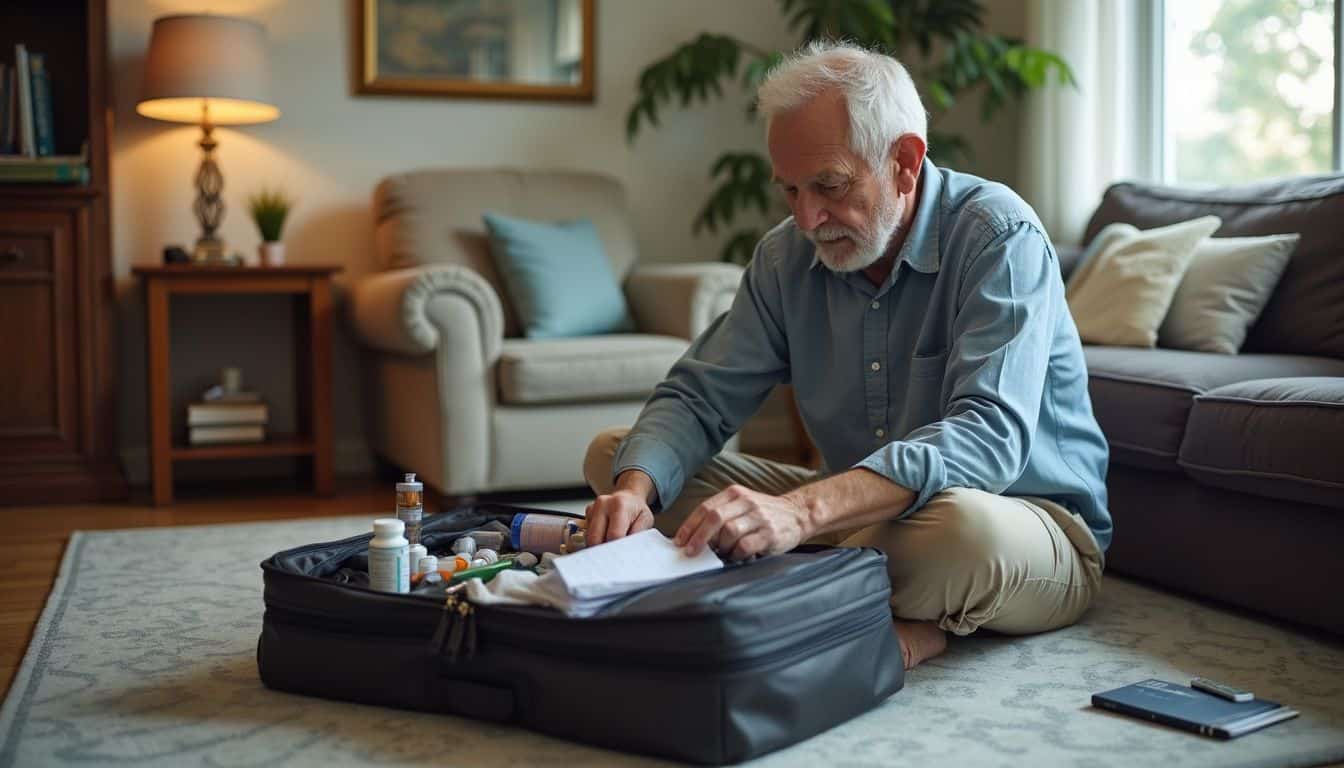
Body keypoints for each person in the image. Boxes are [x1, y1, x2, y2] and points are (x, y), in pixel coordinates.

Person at [582, 41, 1111, 670]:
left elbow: (989, 440)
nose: (808, 217)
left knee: (958, 534)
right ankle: (852, 591)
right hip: (863, 515)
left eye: (829, 186)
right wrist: (635, 492)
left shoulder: (999, 236)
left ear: (905, 163)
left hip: (1022, 523)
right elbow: (700, 396)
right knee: (617, 457)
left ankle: (822, 580)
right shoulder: (787, 258)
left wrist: (801, 512)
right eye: (790, 191)